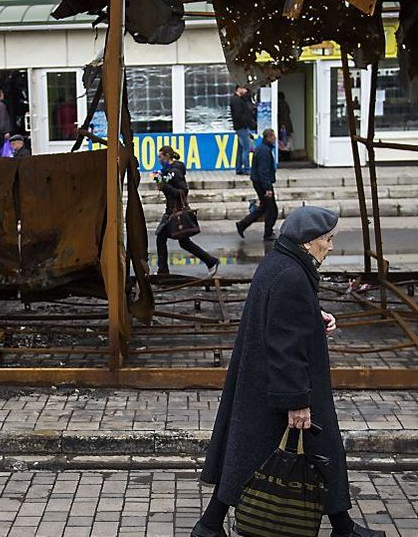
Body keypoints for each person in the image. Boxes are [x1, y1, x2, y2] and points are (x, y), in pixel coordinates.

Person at [194, 207, 384, 537]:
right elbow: (285, 344)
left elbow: (282, 316)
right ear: (309, 242)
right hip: (284, 387)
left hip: (262, 383)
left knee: (254, 455)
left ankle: (210, 525)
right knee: (281, 456)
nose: (331, 246)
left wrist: (314, 314)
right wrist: (297, 401)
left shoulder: (279, 262)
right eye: (328, 239)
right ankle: (210, 525)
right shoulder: (293, 276)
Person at [154, 145, 219, 276]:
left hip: (175, 211)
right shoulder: (168, 171)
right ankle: (210, 261)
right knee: (183, 242)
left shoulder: (176, 171)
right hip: (171, 209)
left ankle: (163, 271)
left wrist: (165, 187)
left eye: (160, 157)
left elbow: (183, 191)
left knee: (161, 238)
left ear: (167, 156)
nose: (159, 160)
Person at [236, 128, 278, 241]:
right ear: (269, 137)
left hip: (259, 182)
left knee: (264, 207)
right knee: (272, 209)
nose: (275, 138)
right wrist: (268, 188)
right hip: (262, 183)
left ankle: (243, 224)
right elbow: (263, 171)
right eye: (273, 136)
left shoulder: (263, 148)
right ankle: (268, 233)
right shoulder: (264, 151)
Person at [230, 85, 256, 176]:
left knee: (240, 149)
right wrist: (245, 124)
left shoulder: (238, 99)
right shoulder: (236, 100)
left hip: (240, 127)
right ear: (239, 89)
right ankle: (247, 169)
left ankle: (238, 168)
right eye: (244, 89)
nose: (245, 91)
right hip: (242, 127)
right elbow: (239, 115)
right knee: (246, 148)